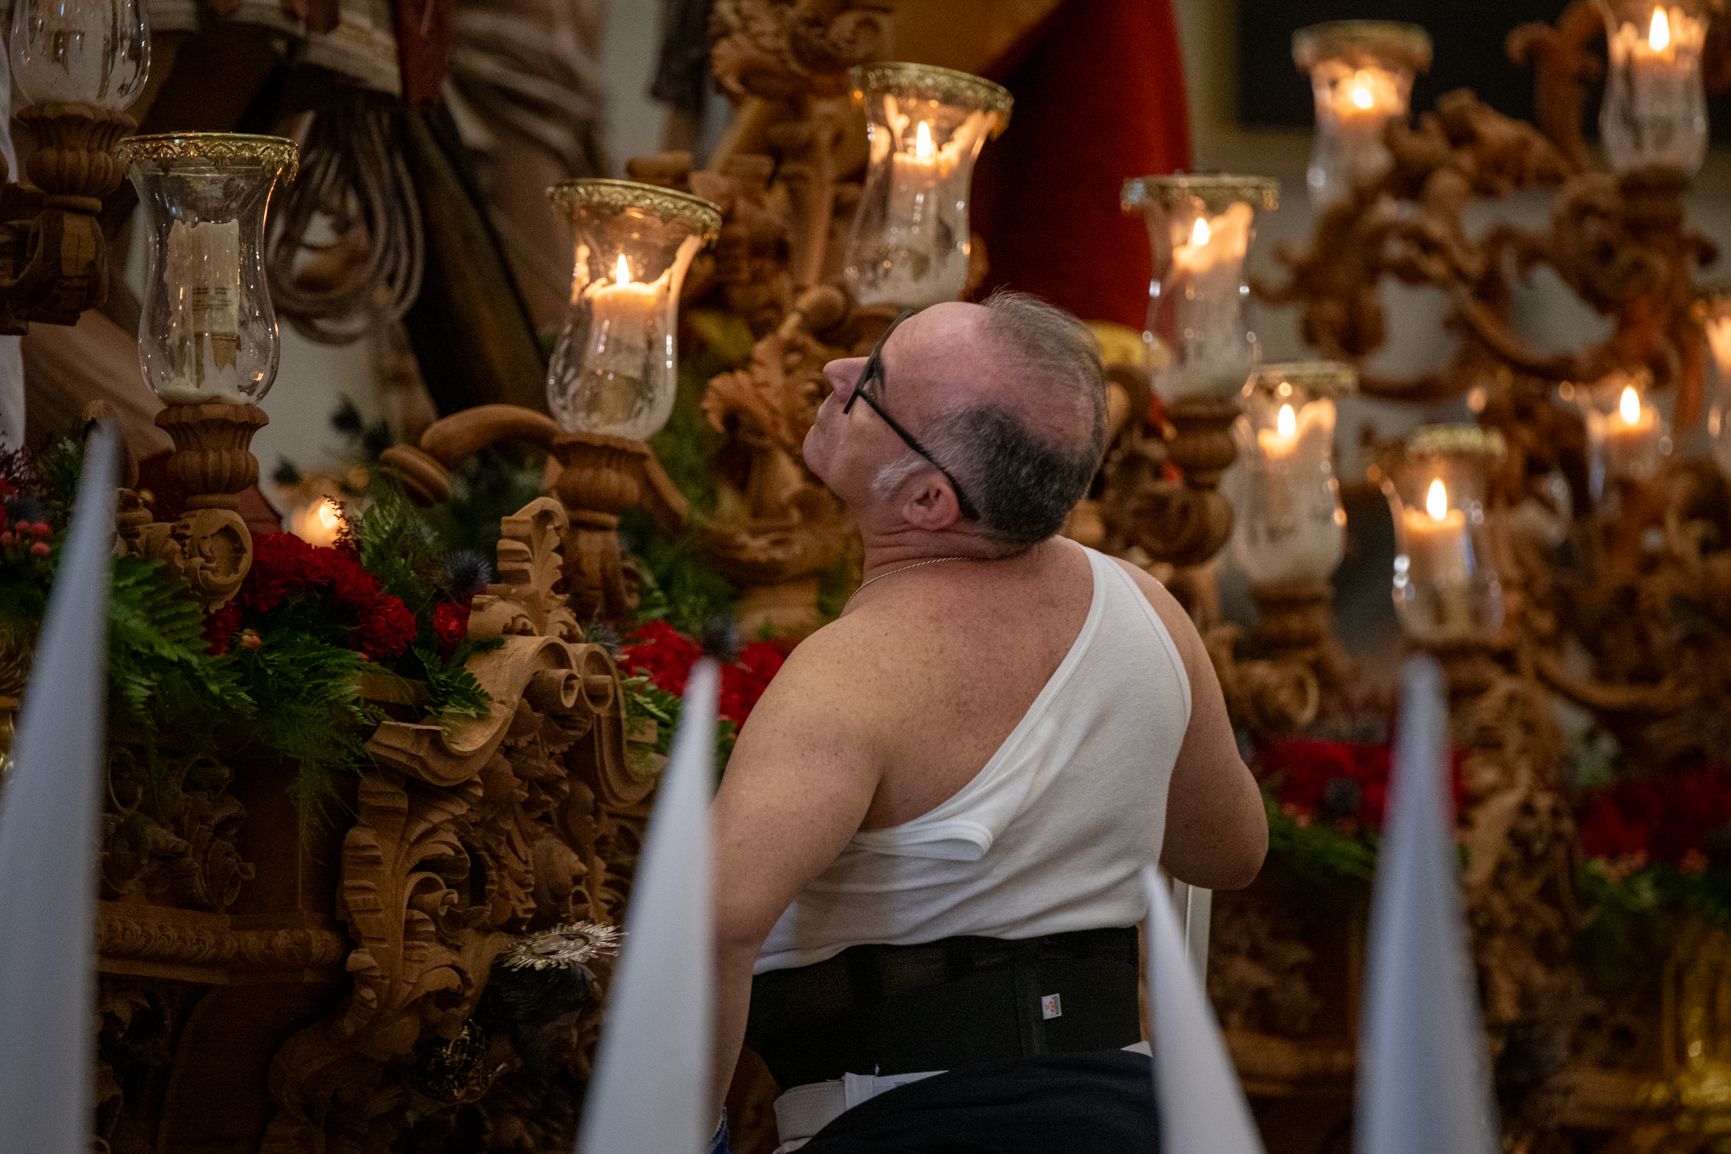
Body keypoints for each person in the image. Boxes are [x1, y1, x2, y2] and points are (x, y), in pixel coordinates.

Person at [709, 291, 1267, 1153]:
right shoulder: (1147, 610)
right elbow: (1229, 851)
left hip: (906, 1130)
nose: (836, 371)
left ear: (930, 499)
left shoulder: (851, 671)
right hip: (1140, 1124)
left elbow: (707, 926)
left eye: (875, 381)